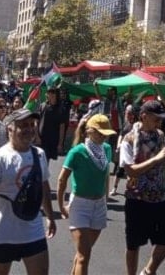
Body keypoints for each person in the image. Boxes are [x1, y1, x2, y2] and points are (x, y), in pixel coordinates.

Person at [0, 108, 57, 275]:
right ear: (9, 128)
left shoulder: (39, 154)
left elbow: (43, 187)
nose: (29, 129)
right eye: (23, 125)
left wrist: (50, 217)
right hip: (3, 233)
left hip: (33, 231)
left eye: (32, 124)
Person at [120, 100, 165, 275]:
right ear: (144, 117)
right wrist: (157, 159)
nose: (159, 123)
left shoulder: (159, 135)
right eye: (156, 119)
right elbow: (131, 170)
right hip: (137, 198)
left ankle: (149, 270)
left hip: (159, 196)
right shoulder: (128, 139)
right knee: (134, 244)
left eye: (161, 120)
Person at [57, 114, 116, 275]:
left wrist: (105, 200)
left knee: (83, 253)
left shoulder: (107, 149)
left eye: (105, 133)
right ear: (89, 131)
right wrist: (61, 205)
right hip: (80, 205)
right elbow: (62, 179)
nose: (103, 136)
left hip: (99, 205)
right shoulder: (77, 152)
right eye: (100, 132)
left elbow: (105, 176)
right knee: (84, 256)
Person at [110, 103, 137, 196]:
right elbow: (121, 134)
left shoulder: (136, 125)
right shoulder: (126, 123)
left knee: (130, 171)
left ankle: (128, 188)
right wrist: (118, 145)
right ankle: (114, 188)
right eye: (126, 112)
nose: (126, 114)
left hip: (132, 151)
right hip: (123, 149)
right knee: (119, 170)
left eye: (128, 112)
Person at [37, 87, 68, 163]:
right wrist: (37, 137)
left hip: (52, 140)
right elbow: (36, 122)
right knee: (37, 160)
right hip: (41, 139)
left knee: (45, 161)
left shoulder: (61, 109)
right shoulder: (43, 106)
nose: (50, 95)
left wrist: (60, 144)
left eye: (53, 93)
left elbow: (62, 127)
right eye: (49, 93)